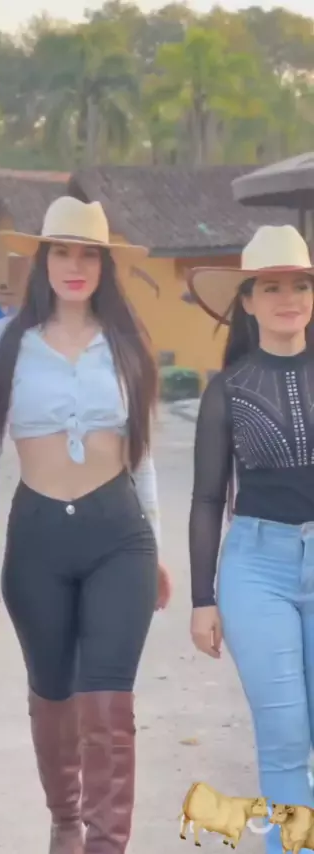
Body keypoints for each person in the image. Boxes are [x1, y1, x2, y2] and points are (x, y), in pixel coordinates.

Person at [0, 195, 171, 854]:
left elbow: (141, 455)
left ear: (105, 265)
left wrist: (156, 547)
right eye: (62, 252)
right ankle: (66, 823)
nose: (75, 266)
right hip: (37, 539)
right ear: (44, 260)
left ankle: (106, 843)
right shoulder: (5, 344)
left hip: (119, 537)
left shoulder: (126, 342)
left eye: (88, 254)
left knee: (108, 706)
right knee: (53, 696)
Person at [187, 224, 314, 854]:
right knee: (284, 738)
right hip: (256, 570)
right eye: (272, 287)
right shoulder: (228, 390)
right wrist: (201, 598)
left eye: (300, 285)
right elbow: (208, 498)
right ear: (248, 301)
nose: (289, 298)